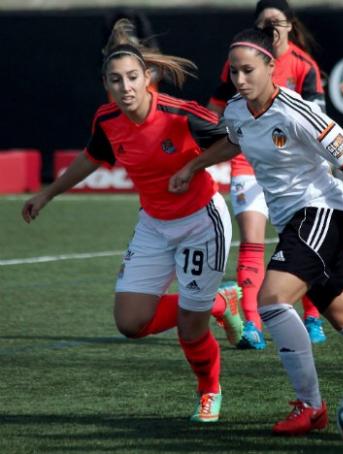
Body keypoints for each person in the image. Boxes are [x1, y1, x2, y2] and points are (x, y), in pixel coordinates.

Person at [170, 26, 343, 437]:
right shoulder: (237, 111)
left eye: (248, 71)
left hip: (323, 212)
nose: (240, 80)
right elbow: (233, 141)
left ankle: (311, 406)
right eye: (234, 72)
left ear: (270, 67)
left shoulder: (295, 110)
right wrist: (194, 165)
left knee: (272, 299)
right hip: (297, 223)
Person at [21, 19, 244, 423]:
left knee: (189, 331)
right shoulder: (107, 120)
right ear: (106, 83)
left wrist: (193, 166)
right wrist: (47, 193)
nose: (124, 88)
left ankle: (209, 390)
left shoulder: (180, 114)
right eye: (115, 80)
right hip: (154, 225)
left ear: (148, 78)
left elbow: (234, 139)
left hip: (201, 221)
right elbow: (92, 157)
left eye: (131, 78)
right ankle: (218, 301)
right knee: (130, 323)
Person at [207, 0, 327, 347]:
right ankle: (252, 325)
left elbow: (316, 121)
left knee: (303, 241)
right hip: (249, 161)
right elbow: (217, 108)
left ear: (290, 25)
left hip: (293, 167)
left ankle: (313, 317)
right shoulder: (240, 62)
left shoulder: (305, 66)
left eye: (277, 22)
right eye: (264, 23)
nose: (271, 29)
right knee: (252, 241)